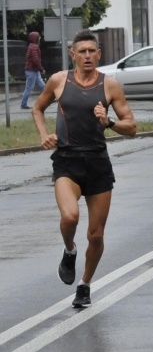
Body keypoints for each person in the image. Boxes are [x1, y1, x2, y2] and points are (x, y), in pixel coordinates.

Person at [31, 31, 137, 308]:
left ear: (99, 54)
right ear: (73, 55)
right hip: (66, 159)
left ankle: (85, 285)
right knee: (70, 216)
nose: (87, 56)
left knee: (96, 234)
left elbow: (132, 127)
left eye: (92, 51)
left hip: (97, 163)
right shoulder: (58, 80)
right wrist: (44, 135)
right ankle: (69, 250)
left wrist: (109, 122)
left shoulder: (110, 85)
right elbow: (37, 109)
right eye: (83, 52)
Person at [20, 31, 46, 109]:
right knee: (29, 88)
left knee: (43, 85)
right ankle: (23, 104)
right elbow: (36, 61)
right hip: (32, 71)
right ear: (36, 38)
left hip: (34, 70)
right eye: (39, 37)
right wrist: (41, 69)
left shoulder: (31, 46)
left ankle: (49, 98)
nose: (40, 38)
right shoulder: (34, 47)